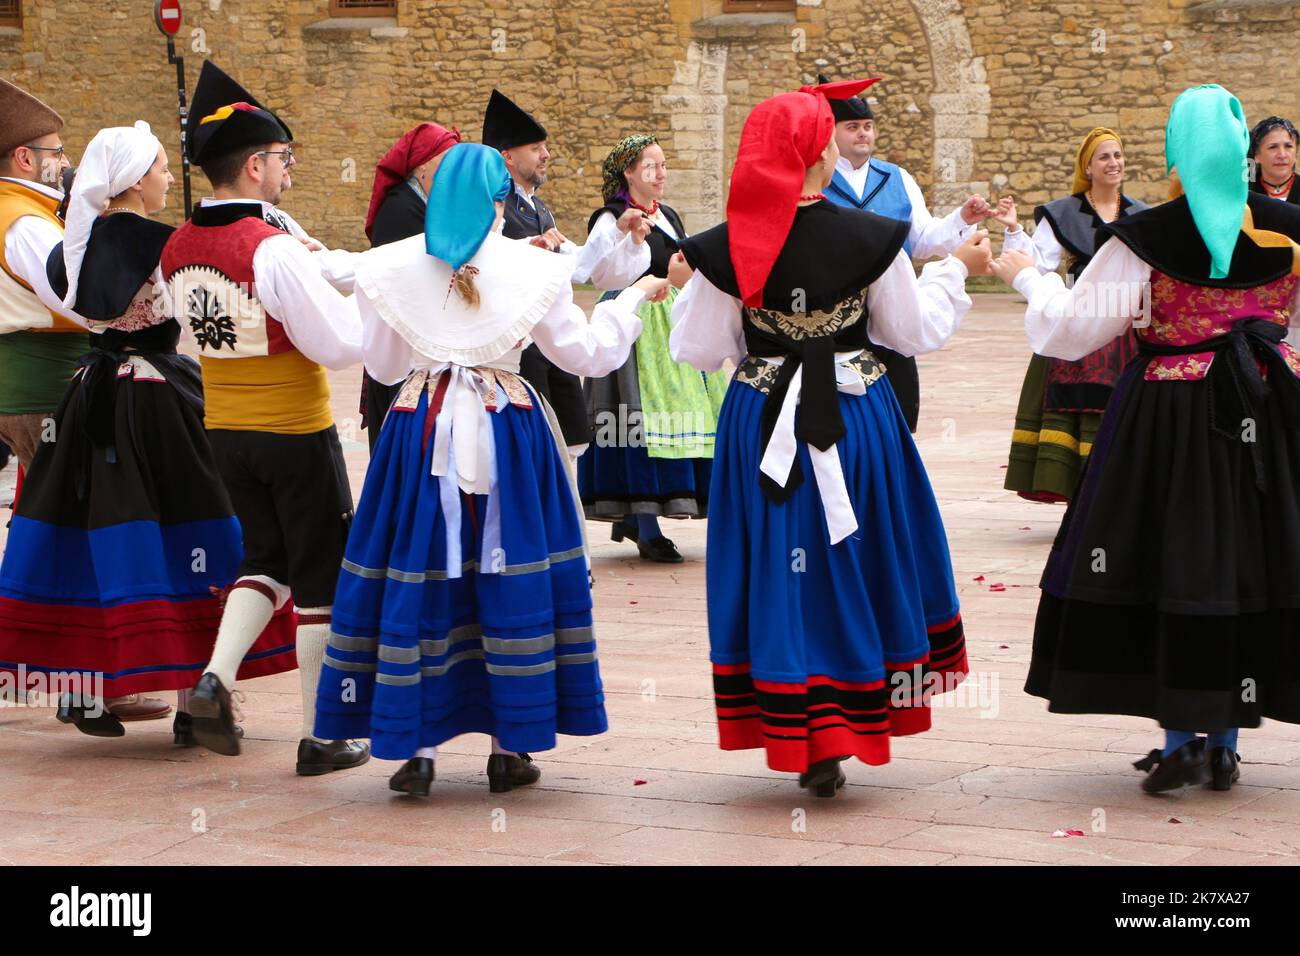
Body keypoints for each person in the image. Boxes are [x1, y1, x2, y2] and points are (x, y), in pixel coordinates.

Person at [312, 143, 668, 797]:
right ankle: (510, 747)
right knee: (509, 578)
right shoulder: (537, 269)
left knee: (418, 576)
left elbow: (387, 369)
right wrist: (629, 305)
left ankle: (415, 749)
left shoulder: (391, 267)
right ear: (501, 201)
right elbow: (585, 355)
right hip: (511, 431)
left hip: (420, 433)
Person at [670, 79, 988, 797]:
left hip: (761, 418)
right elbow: (912, 333)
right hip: (857, 416)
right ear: (821, 154)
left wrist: (765, 344)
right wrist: (953, 273)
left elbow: (696, 347)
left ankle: (801, 724)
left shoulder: (723, 250)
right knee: (860, 554)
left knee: (781, 565)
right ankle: (854, 716)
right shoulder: (872, 240)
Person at [991, 84, 1300, 794]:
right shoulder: (1288, 230)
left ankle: (1180, 736)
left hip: (1169, 418)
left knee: (1170, 558)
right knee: (1248, 560)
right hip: (1266, 419)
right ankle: (1223, 739)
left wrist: (1029, 278)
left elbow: (1073, 328)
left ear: (1177, 152)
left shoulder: (1148, 234)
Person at [0, 122, 297, 741]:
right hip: (161, 398)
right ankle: (198, 699)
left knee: (97, 535)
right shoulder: (163, 244)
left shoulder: (78, 241)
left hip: (95, 394)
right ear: (136, 179)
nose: (168, 177)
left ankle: (89, 690)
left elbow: (79, 306)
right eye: (162, 167)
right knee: (202, 525)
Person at [161, 61, 370, 775]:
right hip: (294, 429)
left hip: (225, 427)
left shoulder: (177, 245)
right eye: (282, 158)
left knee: (264, 563)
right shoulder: (271, 247)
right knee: (320, 583)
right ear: (254, 166)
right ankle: (320, 735)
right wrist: (372, 301)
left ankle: (216, 676)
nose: (288, 170)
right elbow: (338, 343)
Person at [819, 72, 995, 432]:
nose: (863, 133)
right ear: (831, 133)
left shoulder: (896, 178)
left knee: (897, 416)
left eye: (868, 126)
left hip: (894, 309)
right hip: (835, 318)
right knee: (844, 420)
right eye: (852, 126)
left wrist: (962, 218)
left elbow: (925, 239)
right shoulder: (815, 181)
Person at [578, 135, 727, 562]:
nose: (661, 174)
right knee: (639, 417)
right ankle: (644, 521)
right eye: (651, 166)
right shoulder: (610, 219)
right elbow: (598, 274)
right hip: (636, 320)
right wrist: (630, 240)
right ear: (629, 172)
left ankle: (653, 512)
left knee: (693, 411)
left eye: (664, 166)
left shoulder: (669, 215)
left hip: (674, 317)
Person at [482, 89, 651, 455]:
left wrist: (622, 234)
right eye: (534, 148)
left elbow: (579, 267)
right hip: (514, 352)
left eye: (544, 146)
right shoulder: (492, 208)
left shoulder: (539, 208)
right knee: (528, 446)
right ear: (506, 156)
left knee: (563, 446)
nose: (546, 155)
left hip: (551, 343)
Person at [1000, 129, 1149, 502]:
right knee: (1075, 407)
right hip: (1076, 317)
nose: (1113, 163)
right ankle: (1077, 494)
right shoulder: (1062, 214)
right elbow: (1036, 265)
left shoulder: (1141, 215)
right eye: (1104, 157)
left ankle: (1116, 496)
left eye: (1118, 155)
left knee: (1119, 405)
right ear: (1088, 166)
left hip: (1126, 324)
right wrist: (1015, 231)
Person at [358, 122, 462, 452]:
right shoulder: (401, 210)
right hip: (403, 353)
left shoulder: (426, 205)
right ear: (421, 165)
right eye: (445, 160)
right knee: (404, 446)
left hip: (418, 351)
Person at [1248, 116, 1299, 205]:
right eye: (1273, 147)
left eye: (1288, 146)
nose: (1282, 155)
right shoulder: (1245, 193)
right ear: (1256, 156)